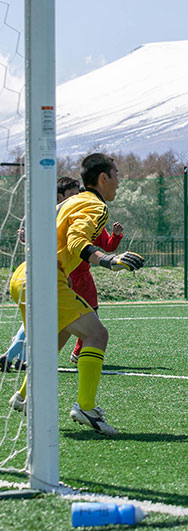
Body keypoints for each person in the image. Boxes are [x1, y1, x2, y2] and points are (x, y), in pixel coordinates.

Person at [8, 154, 145, 435]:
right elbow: (76, 241)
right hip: (44, 278)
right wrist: (108, 260)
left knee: (59, 336)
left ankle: (23, 396)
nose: (119, 182)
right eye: (116, 175)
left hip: (24, 275)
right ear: (103, 178)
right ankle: (85, 407)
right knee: (96, 334)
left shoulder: (70, 201)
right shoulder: (95, 206)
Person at [0, 177, 125, 372]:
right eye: (73, 194)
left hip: (43, 274)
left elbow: (105, 242)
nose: (77, 197)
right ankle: (84, 402)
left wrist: (114, 238)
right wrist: (105, 260)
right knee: (93, 330)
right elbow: (76, 242)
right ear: (60, 197)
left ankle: (23, 383)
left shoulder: (69, 215)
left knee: (58, 324)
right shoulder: (73, 214)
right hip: (53, 276)